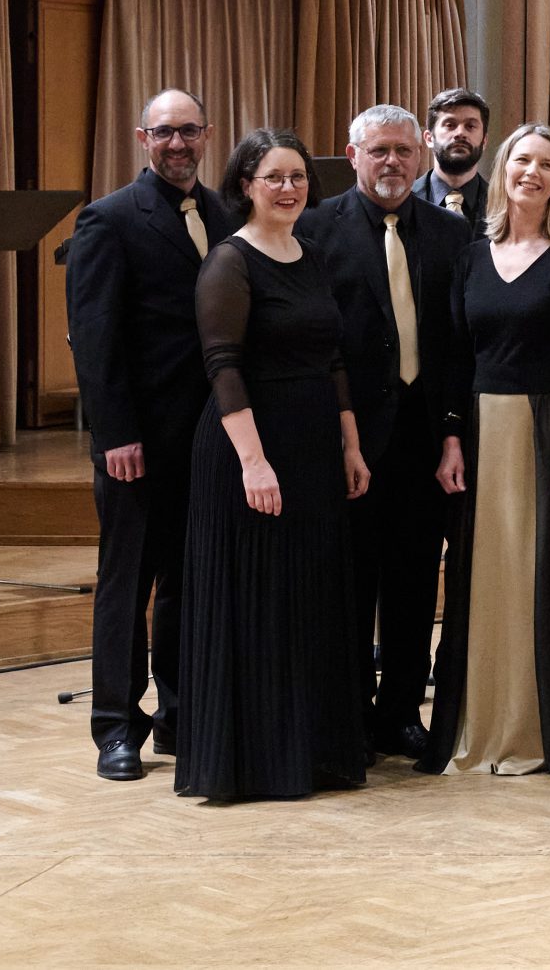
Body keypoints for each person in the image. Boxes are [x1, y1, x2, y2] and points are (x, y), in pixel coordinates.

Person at [423, 123, 550, 779]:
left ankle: (546, 726)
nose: (532, 172)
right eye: (522, 160)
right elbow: (456, 356)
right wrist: (450, 436)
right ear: (504, 170)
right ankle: (484, 721)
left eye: (546, 163)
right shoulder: (470, 257)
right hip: (482, 433)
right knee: (487, 579)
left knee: (548, 576)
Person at [176, 128, 371, 802]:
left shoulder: (310, 254)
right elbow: (222, 365)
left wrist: (350, 444)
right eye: (274, 177)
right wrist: (253, 464)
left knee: (307, 599)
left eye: (298, 177)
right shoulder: (229, 261)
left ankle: (309, 751)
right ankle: (256, 760)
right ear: (245, 186)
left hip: (313, 445)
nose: (289, 188)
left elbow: (333, 357)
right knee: (258, 600)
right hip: (249, 447)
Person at [68, 88, 240, 781]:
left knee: (188, 582)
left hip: (210, 439)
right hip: (136, 443)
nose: (178, 143)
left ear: (207, 135)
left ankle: (178, 713)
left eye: (189, 131)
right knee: (126, 584)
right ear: (144, 138)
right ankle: (116, 726)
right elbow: (95, 340)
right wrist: (116, 434)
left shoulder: (228, 214)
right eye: (165, 132)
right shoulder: (108, 218)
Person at [294, 104, 472, 762]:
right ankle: (347, 715)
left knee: (415, 581)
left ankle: (400, 712)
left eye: (402, 150)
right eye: (379, 151)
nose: (392, 161)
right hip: (348, 442)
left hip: (425, 441)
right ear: (353, 156)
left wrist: (452, 432)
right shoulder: (315, 229)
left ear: (420, 154)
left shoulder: (452, 233)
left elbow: (457, 343)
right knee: (348, 583)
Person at [414, 88, 491, 225]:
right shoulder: (404, 200)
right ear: (429, 138)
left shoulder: (505, 204)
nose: (460, 133)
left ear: (484, 141)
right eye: (450, 125)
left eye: (470, 126)